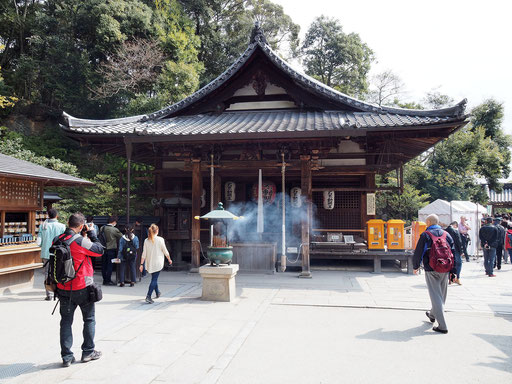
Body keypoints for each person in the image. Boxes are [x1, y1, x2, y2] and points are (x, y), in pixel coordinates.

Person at [55, 213, 104, 367]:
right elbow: (99, 250)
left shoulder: (58, 239)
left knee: (66, 322)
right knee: (89, 319)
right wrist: (91, 233)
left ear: (68, 223)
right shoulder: (80, 241)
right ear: (82, 225)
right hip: (82, 286)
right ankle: (88, 351)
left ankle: (67, 356)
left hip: (63, 286)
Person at [413, 214, 454, 334]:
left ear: (428, 222)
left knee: (435, 295)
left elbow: (419, 252)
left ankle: (443, 325)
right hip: (445, 268)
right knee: (441, 295)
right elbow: (454, 252)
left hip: (431, 268)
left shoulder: (426, 235)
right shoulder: (447, 235)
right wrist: (454, 271)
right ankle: (432, 314)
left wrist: (416, 266)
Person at [37, 208, 66, 300]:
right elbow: (64, 240)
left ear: (48, 215)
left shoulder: (43, 226)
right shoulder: (62, 226)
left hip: (46, 252)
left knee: (47, 273)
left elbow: (39, 241)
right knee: (58, 272)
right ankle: (57, 292)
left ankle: (49, 293)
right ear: (57, 215)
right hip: (58, 253)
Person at [140, 224, 172, 304]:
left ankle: (157, 292)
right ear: (157, 231)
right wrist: (169, 259)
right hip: (158, 262)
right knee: (154, 279)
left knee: (154, 278)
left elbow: (144, 254)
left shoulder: (146, 240)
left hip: (149, 262)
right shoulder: (160, 239)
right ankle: (148, 296)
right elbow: (165, 251)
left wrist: (141, 264)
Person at [100, 215, 122, 285]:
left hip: (103, 248)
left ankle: (104, 279)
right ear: (114, 222)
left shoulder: (102, 228)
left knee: (103, 265)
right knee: (110, 265)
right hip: (111, 249)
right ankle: (108, 280)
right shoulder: (114, 229)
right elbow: (121, 237)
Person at [445, 221, 463, 285]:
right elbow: (459, 242)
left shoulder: (444, 231)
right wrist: (461, 251)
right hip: (455, 250)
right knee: (458, 263)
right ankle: (457, 278)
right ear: (455, 225)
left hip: (446, 250)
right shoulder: (455, 231)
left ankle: (450, 278)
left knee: (448, 264)